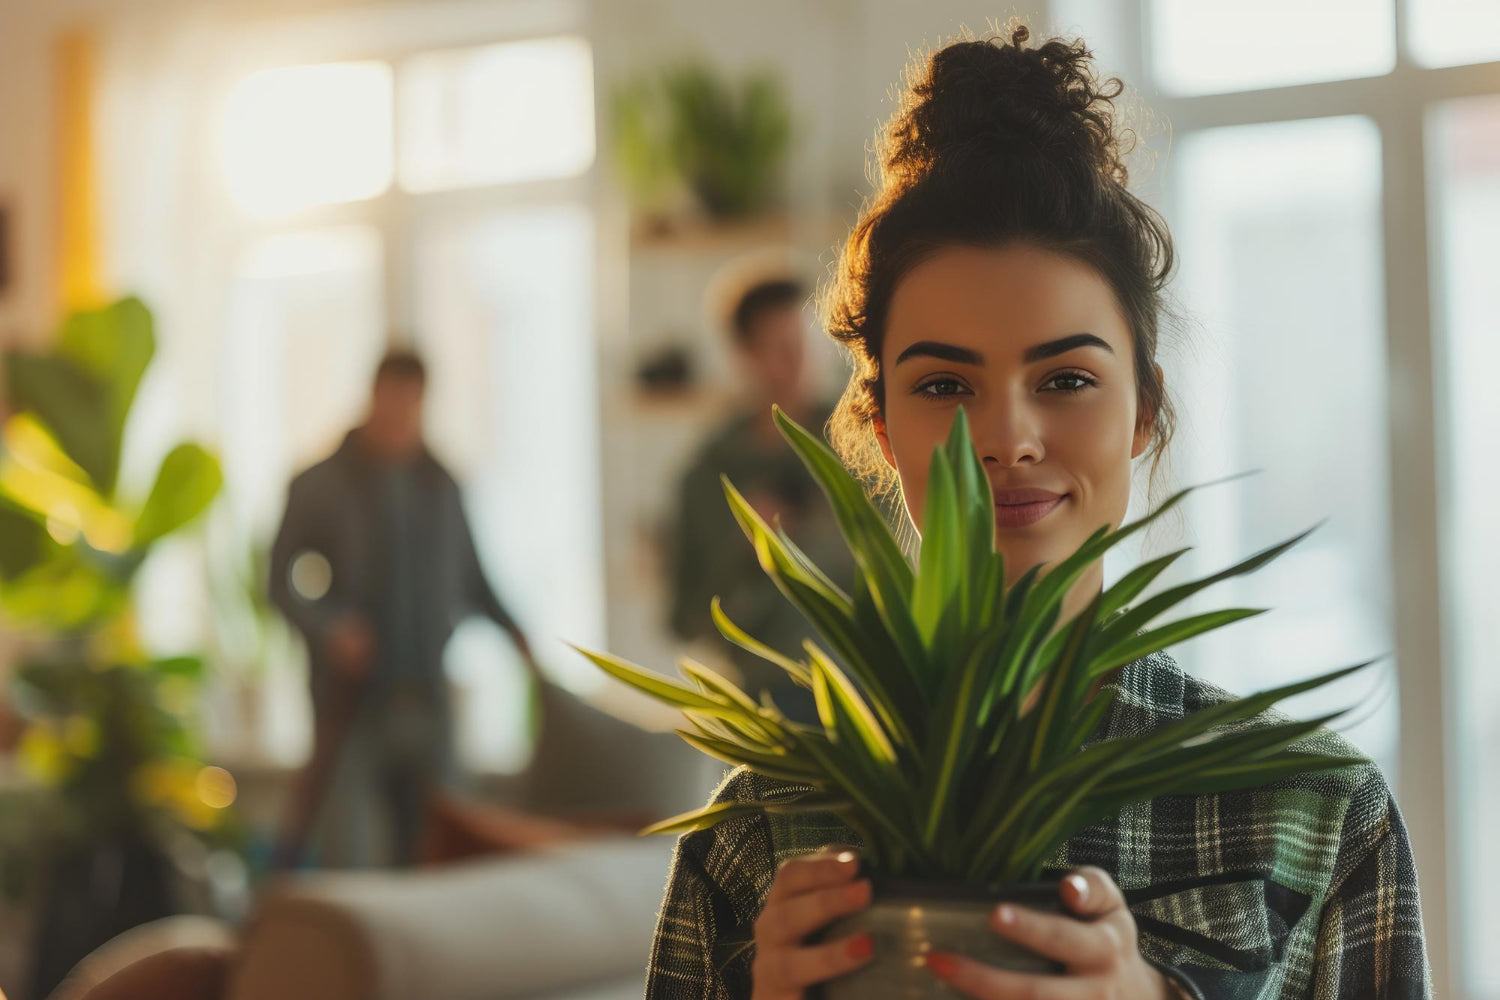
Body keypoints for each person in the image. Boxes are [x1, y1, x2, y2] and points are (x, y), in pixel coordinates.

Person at [644, 26, 1433, 1000]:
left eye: (1064, 376)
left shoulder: (1317, 815)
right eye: (942, 384)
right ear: (880, 424)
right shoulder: (757, 837)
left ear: (1143, 408)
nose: (1007, 437)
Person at [269, 349, 534, 868]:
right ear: (373, 396)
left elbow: (474, 578)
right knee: (352, 856)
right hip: (351, 705)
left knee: (441, 850)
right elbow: (280, 582)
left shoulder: (441, 485)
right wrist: (330, 628)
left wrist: (517, 635)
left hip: (428, 697)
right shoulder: (318, 484)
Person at [668, 277, 854, 723]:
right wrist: (746, 554)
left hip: (867, 690)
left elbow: (904, 564)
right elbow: (686, 619)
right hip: (764, 705)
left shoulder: (862, 448)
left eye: (806, 342)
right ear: (744, 354)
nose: (799, 361)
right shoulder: (708, 477)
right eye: (780, 346)